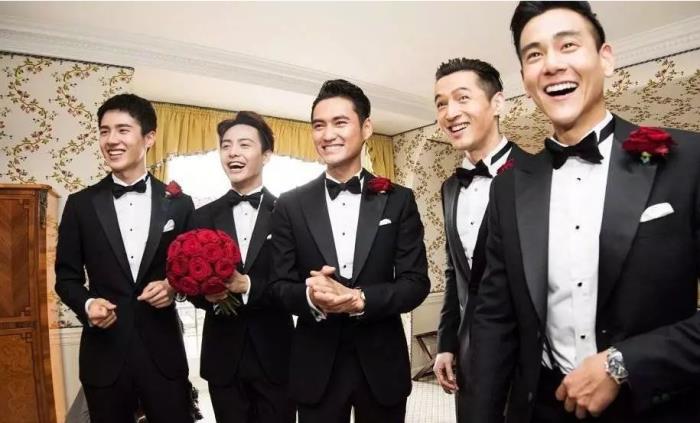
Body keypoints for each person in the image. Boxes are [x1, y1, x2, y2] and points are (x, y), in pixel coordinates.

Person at [464, 2, 700, 422]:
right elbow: (494, 319)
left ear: (605, 58)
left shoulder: (687, 160)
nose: (552, 64)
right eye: (534, 54)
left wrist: (624, 364)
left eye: (568, 45)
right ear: (525, 79)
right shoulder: (509, 188)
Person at [269, 79, 430, 423]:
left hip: (382, 364)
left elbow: (415, 283)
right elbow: (278, 285)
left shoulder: (398, 200)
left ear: (366, 127)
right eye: (319, 125)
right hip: (316, 366)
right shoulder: (290, 204)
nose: (328, 134)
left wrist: (361, 299)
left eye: (340, 122)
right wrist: (311, 296)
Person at [55, 93, 194, 423]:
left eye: (122, 130)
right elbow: (66, 278)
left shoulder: (179, 204)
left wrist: (172, 286)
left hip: (163, 354)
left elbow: (190, 272)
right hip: (104, 356)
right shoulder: (80, 204)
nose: (111, 140)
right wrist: (88, 304)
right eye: (104, 131)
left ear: (149, 138)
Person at [431, 58, 528, 421]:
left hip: (530, 356)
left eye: (462, 98)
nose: (450, 112)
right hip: (470, 355)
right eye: (441, 103)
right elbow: (454, 272)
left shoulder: (537, 174)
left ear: (497, 103)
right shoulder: (449, 188)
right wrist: (446, 344)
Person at [187, 111, 294, 423]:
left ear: (266, 155)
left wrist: (248, 285)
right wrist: (206, 296)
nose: (233, 152)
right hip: (223, 356)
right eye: (226, 145)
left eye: (244, 144)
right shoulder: (201, 216)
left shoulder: (289, 213)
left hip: (276, 354)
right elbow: (189, 283)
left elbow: (296, 282)